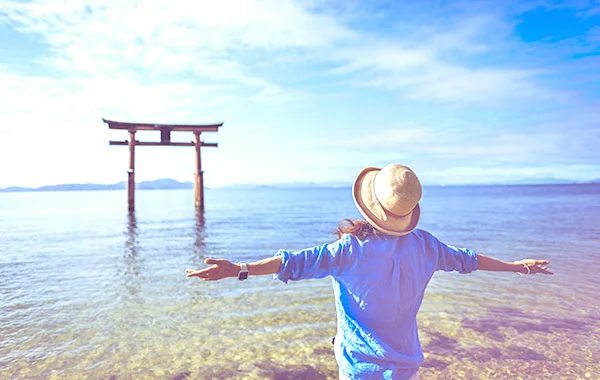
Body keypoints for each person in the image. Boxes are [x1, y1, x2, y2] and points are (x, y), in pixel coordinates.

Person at [186, 163, 553, 380]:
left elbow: (292, 262)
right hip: (406, 365)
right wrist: (519, 267)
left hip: (358, 366)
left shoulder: (349, 249)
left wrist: (239, 270)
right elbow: (469, 259)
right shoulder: (427, 246)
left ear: (371, 205)